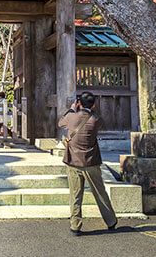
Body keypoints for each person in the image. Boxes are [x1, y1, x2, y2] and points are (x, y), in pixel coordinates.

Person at [58, 91, 117, 235]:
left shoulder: (71, 117)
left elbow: (61, 122)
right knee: (100, 192)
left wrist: (72, 109)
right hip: (91, 161)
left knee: (75, 195)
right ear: (94, 104)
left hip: (73, 161)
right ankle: (110, 221)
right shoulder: (96, 119)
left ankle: (75, 225)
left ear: (79, 103)